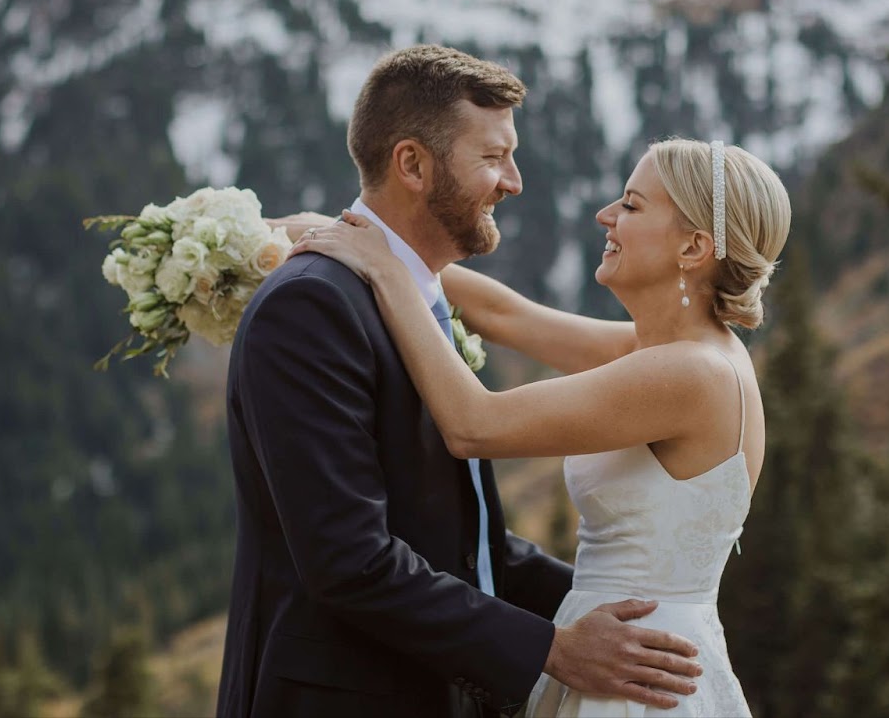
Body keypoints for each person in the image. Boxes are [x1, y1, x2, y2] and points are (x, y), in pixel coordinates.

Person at [216, 45, 703, 718]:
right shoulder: (313, 305)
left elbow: (470, 544)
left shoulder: (415, 299)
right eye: (493, 157)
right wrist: (549, 650)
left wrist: (643, 616)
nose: (515, 181)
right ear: (412, 164)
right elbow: (349, 561)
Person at [294, 135, 791, 716]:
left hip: (635, 678)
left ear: (694, 247)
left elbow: (472, 425)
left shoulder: (690, 374)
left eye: (631, 205)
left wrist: (385, 271)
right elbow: (504, 313)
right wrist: (347, 233)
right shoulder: (668, 352)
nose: (605, 215)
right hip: (622, 650)